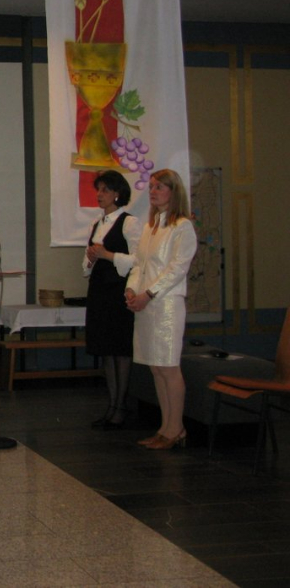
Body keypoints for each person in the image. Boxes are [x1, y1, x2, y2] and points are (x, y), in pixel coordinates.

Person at [125, 169, 197, 450]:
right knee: (156, 368)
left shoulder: (182, 226)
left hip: (166, 305)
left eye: (159, 187)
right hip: (146, 304)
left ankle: (176, 428)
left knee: (168, 367)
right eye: (151, 186)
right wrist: (132, 289)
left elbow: (177, 269)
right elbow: (139, 265)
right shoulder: (150, 226)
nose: (153, 192)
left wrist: (149, 294)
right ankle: (165, 427)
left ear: (173, 192)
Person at [83, 170, 143, 430]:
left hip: (119, 291)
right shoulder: (96, 225)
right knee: (106, 349)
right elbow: (86, 267)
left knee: (120, 349)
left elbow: (139, 260)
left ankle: (120, 407)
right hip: (99, 290)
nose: (100, 194)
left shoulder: (129, 223)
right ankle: (111, 405)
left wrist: (107, 255)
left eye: (105, 190)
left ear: (117, 194)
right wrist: (91, 258)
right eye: (99, 189)